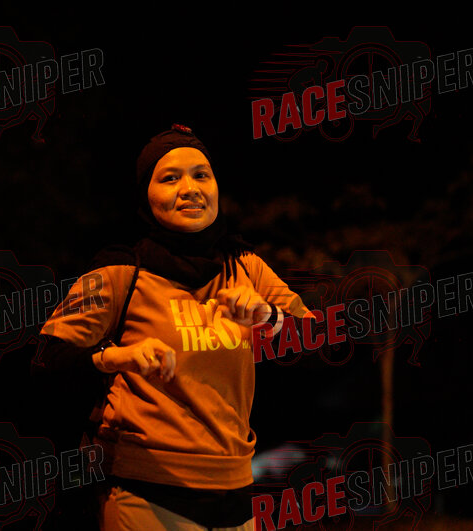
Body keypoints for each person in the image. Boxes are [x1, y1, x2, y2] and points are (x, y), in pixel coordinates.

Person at [36, 124, 312, 530]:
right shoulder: (119, 272)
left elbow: (317, 340)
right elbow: (48, 358)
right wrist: (116, 357)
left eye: (202, 175)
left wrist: (269, 317)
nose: (190, 189)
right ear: (145, 195)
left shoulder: (245, 266)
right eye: (169, 178)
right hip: (145, 490)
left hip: (235, 489)